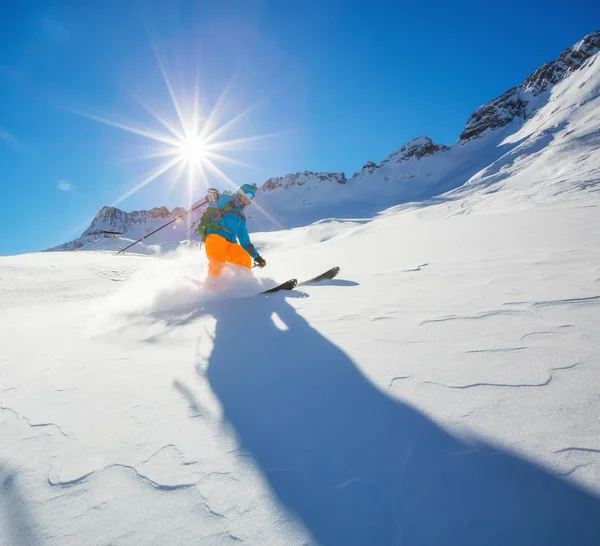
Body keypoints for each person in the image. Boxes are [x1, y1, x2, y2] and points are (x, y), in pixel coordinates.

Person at [197, 184, 267, 280]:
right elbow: (214, 203)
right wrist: (215, 197)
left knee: (244, 259)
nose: (248, 198)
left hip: (230, 243)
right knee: (217, 263)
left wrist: (257, 257)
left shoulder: (241, 217)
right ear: (240, 193)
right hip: (216, 235)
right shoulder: (228, 200)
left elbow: (245, 241)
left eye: (251, 197)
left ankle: (245, 284)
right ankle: (213, 287)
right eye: (247, 194)